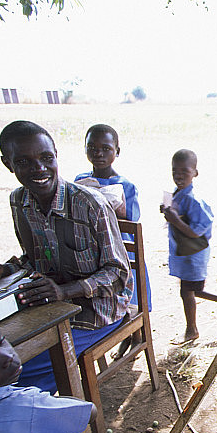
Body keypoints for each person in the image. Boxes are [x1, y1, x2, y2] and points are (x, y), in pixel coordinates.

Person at [0, 120, 133, 393]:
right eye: (24, 161)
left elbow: (118, 274)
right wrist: (5, 269)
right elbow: (33, 258)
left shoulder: (90, 204)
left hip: (98, 311)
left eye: (46, 158)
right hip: (49, 308)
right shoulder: (19, 201)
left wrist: (64, 291)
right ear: (8, 164)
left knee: (12, 371)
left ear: (56, 154)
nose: (39, 169)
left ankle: (51, 420)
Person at [75, 123, 152, 357]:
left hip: (121, 251)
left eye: (106, 148)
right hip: (94, 251)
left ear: (117, 152)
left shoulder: (125, 185)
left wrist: (110, 206)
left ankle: (135, 337)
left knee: (131, 296)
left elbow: (133, 219)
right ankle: (116, 331)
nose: (98, 153)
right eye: (92, 147)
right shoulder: (80, 180)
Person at [160, 149, 213, 344]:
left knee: (191, 290)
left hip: (194, 253)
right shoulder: (179, 194)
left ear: (195, 173)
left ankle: (194, 327)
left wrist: (175, 220)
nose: (179, 175)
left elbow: (197, 231)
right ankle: (192, 328)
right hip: (185, 252)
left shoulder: (194, 200)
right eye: (175, 170)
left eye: (185, 170)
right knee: (188, 290)